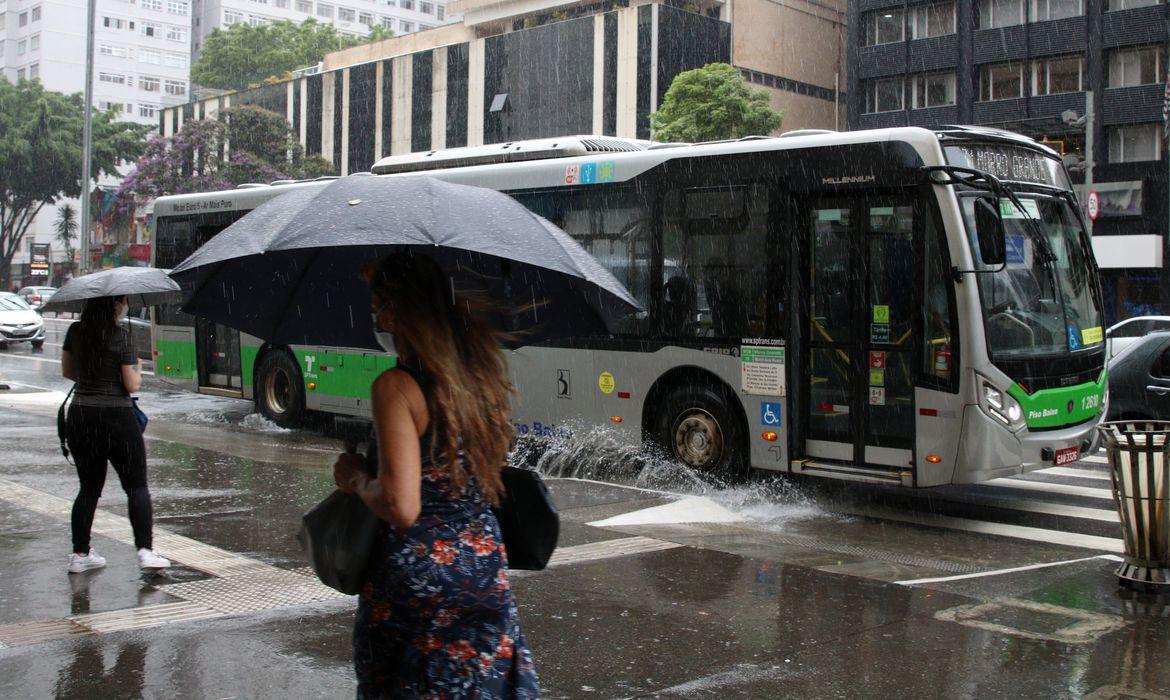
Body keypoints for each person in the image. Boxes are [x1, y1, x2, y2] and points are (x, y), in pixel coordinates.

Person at [333, 252, 540, 698]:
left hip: (421, 582)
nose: (378, 318)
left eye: (380, 306)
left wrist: (355, 478)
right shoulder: (480, 376)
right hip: (484, 567)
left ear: (401, 309)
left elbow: (402, 507)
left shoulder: (397, 387)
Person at [61, 296, 169, 574]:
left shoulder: (75, 331)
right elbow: (131, 384)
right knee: (135, 486)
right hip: (118, 418)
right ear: (113, 306)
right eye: (122, 301)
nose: (124, 305)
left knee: (88, 489)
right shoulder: (122, 336)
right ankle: (145, 551)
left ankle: (80, 554)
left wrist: (93, 376)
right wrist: (138, 370)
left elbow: (68, 371)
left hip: (82, 416)